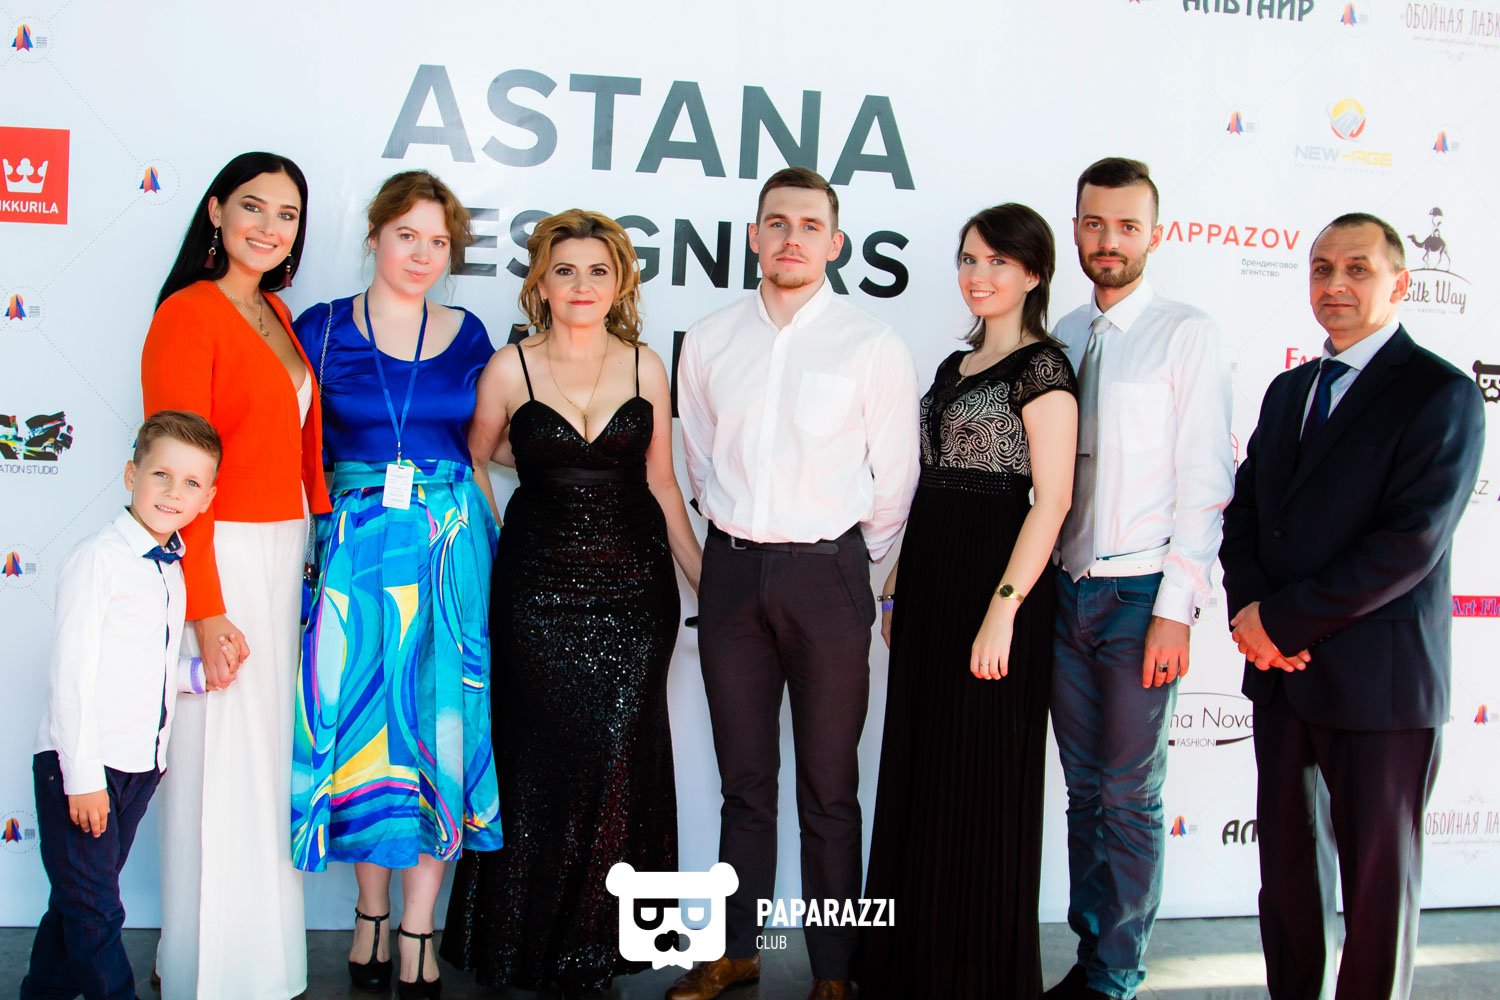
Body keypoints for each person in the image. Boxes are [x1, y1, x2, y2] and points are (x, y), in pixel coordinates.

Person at [1220, 213, 1484, 1000]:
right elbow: (1244, 514)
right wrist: (1251, 613)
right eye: (1322, 268)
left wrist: (1282, 623)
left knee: (1376, 893)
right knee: (1287, 882)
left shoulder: (1441, 392)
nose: (1335, 284)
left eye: (1357, 269)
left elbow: (1410, 542)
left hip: (1382, 684)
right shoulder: (1289, 391)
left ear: (1400, 283)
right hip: (1281, 677)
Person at [673, 167, 919, 1000]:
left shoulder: (871, 345)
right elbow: (700, 459)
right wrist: (737, 542)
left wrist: (852, 567)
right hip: (734, 573)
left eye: (810, 226)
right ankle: (735, 951)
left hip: (831, 576)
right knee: (744, 781)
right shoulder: (710, 340)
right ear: (754, 236)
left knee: (829, 785)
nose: (791, 238)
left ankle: (834, 971)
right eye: (777, 222)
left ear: (835, 243)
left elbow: (895, 482)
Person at [442, 209, 702, 995]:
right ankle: (519, 943)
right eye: (565, 271)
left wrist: (702, 576)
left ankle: (597, 948)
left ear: (618, 282)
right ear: (541, 283)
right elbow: (474, 460)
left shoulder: (645, 366)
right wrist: (499, 542)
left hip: (633, 591)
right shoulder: (508, 369)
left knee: (619, 756)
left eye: (597, 271)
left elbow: (662, 483)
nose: (581, 285)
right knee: (536, 757)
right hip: (535, 590)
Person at [289, 170, 503, 998]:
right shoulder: (321, 328)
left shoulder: (470, 332)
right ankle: (369, 915)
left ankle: (419, 926)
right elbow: (292, 444)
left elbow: (487, 447)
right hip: (355, 554)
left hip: (449, 553)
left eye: (438, 242)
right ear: (375, 235)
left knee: (439, 731)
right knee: (362, 733)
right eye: (407, 235)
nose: (421, 254)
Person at [858, 204, 1077, 998]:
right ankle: (909, 964)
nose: (977, 276)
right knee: (921, 767)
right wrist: (897, 577)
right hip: (931, 581)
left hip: (995, 587)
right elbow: (933, 481)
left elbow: (1052, 501)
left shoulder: (1044, 371)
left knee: (977, 780)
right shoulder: (954, 366)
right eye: (968, 260)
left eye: (997, 262)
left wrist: (1003, 610)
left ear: (1033, 273)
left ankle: (972, 975)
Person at [140, 151, 330, 1000]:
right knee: (217, 759)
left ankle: (262, 963)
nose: (269, 227)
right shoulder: (189, 314)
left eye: (287, 215)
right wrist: (207, 609)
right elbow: (179, 480)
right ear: (216, 211)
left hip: (282, 553)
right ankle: (202, 969)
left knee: (263, 767)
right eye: (253, 207)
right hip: (221, 554)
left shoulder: (275, 311)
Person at [1045, 157, 1232, 1000]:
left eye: (1126, 225)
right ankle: (1092, 961)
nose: (1108, 240)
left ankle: (1117, 975)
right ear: (1076, 229)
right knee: (1085, 793)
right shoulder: (1065, 331)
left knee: (1127, 794)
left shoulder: (1186, 333)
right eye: (1094, 223)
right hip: (1064, 590)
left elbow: (1206, 480)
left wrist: (1175, 610)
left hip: (1139, 595)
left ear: (1155, 234)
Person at [20, 412, 221, 1000]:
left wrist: (197, 675)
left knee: (78, 902)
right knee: (98, 914)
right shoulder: (99, 559)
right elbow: (71, 676)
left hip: (139, 767)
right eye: (161, 474)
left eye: (191, 483)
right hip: (85, 765)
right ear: (132, 474)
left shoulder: (171, 568)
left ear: (207, 499)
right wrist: (82, 779)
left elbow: (143, 665)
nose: (173, 492)